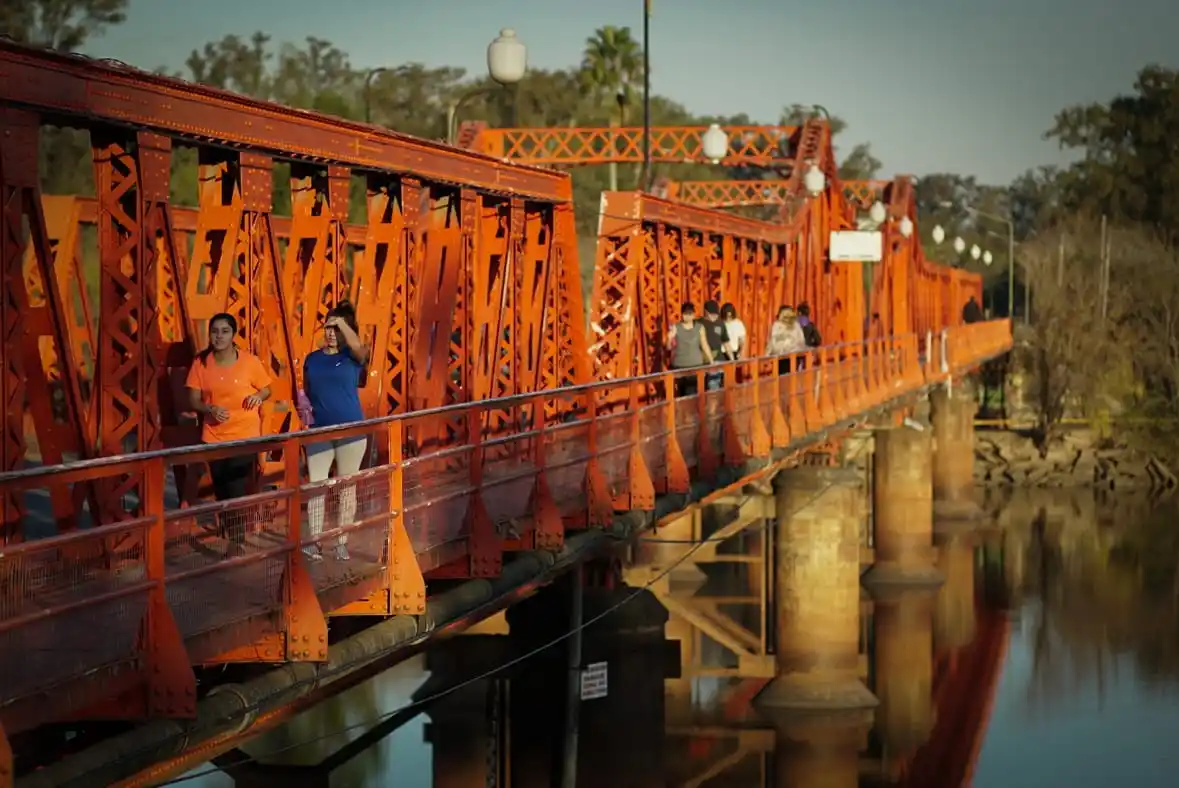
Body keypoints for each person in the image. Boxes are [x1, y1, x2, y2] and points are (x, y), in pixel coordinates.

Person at [186, 312, 272, 556]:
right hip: (213, 435)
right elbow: (192, 399)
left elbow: (267, 389)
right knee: (222, 487)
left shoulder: (249, 362)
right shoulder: (201, 363)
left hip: (245, 435)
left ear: (233, 335)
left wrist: (258, 396)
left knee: (235, 486)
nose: (219, 336)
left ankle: (236, 542)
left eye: (225, 331)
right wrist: (208, 408)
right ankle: (233, 533)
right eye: (215, 331)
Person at [302, 300, 371, 562]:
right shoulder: (312, 359)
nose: (331, 332)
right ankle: (315, 542)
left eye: (336, 327)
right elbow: (308, 391)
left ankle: (341, 541)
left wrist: (342, 321)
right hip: (319, 430)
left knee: (346, 487)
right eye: (328, 327)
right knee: (316, 485)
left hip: (351, 429)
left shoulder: (352, 357)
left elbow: (359, 351)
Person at [666, 301, 713, 398]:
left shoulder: (700, 328)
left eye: (690, 314)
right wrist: (669, 339)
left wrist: (711, 361)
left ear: (694, 314)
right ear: (682, 314)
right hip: (679, 366)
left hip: (695, 366)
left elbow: (704, 345)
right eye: (685, 314)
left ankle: (690, 413)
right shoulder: (676, 327)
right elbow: (668, 348)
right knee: (681, 395)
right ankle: (685, 413)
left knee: (691, 394)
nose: (687, 316)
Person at [765, 305, 808, 374]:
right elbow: (801, 341)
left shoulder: (777, 325)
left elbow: (772, 342)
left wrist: (768, 354)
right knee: (792, 377)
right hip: (793, 356)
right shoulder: (796, 325)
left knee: (783, 378)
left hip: (781, 357)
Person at [701, 300, 731, 390]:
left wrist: (732, 359)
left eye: (716, 314)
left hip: (718, 359)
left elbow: (726, 342)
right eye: (712, 314)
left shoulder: (720, 323)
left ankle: (714, 403)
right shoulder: (698, 323)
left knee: (714, 386)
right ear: (706, 312)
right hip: (702, 360)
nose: (715, 316)